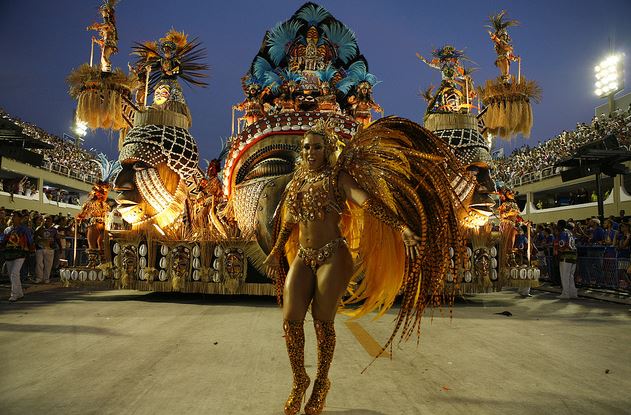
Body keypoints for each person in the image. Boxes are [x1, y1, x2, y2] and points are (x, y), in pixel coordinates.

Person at [263, 117, 471, 415]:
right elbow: (289, 221)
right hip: (303, 256)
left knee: (323, 323)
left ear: (328, 149)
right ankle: (300, 380)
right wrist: (274, 251)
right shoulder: (297, 180)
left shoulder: (338, 178)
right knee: (291, 320)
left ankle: (321, 382)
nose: (310, 152)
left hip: (333, 256)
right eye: (306, 147)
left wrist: (400, 227)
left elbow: (367, 201)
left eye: (317, 147)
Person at [0, 211, 34, 301]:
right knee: (12, 274)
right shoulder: (7, 229)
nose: (12, 217)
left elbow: (30, 240)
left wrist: (31, 250)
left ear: (20, 218)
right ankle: (19, 293)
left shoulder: (24, 229)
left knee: (14, 273)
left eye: (14, 216)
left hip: (20, 253)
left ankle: (14, 295)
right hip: (9, 253)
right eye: (11, 216)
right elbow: (2, 240)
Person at [34, 215, 59, 283]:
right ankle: (39, 278)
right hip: (40, 248)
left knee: (48, 265)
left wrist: (60, 248)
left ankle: (46, 278)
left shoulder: (54, 230)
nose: (47, 222)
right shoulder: (39, 228)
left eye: (49, 220)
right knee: (39, 263)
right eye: (45, 220)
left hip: (50, 249)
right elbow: (35, 236)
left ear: (51, 222)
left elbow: (57, 239)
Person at [557, 219, 578, 299]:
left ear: (560, 225)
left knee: (564, 275)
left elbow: (562, 245)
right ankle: (573, 293)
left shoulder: (563, 233)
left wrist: (559, 251)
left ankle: (566, 293)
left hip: (566, 256)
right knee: (571, 276)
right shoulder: (570, 232)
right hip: (573, 255)